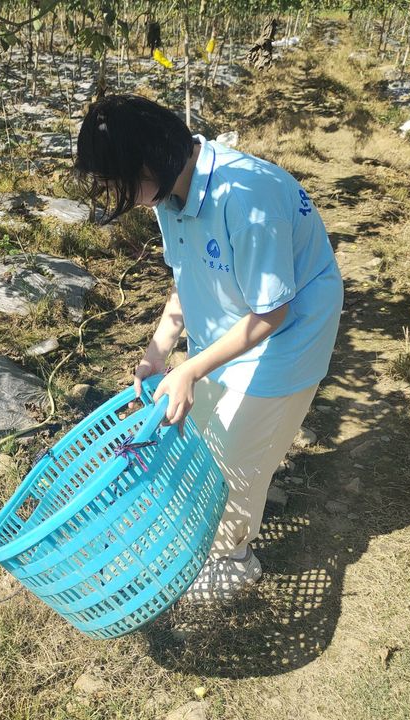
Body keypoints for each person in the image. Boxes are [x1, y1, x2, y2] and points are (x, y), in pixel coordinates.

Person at [74, 95, 343, 603]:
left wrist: (190, 369)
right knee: (200, 441)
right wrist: (160, 350)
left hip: (286, 338)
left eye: (115, 181)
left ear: (149, 163)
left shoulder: (248, 202)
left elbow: (272, 313)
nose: (115, 194)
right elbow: (188, 275)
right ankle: (199, 531)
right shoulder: (170, 194)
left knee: (235, 462)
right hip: (231, 326)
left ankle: (232, 560)